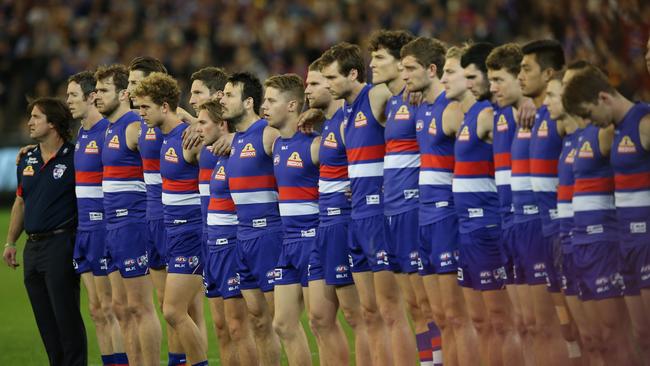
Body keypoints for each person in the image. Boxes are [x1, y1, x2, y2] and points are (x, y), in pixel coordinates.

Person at [320, 41, 418, 365]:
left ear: (352, 74)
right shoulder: (345, 110)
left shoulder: (374, 95)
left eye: (333, 78)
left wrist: (410, 92)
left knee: (392, 310)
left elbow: (400, 101)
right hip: (357, 214)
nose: (329, 84)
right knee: (369, 313)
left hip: (379, 215)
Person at [400, 36, 479, 366]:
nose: (405, 76)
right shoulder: (423, 107)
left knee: (458, 317)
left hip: (447, 217)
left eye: (410, 69)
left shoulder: (454, 110)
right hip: (425, 218)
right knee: (440, 317)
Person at [445, 45, 524, 365]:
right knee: (481, 322)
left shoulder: (494, 115)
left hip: (490, 225)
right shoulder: (474, 114)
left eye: (472, 76)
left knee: (504, 321)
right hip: (469, 229)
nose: (480, 84)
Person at [563, 65, 648, 364]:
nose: (588, 122)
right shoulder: (617, 128)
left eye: (588, 113)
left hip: (647, 241)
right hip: (627, 244)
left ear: (603, 97)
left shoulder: (644, 122)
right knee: (641, 336)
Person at [368, 31, 439, 366]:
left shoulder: (421, 101)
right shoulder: (391, 102)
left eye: (379, 58)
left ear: (401, 63)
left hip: (415, 209)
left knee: (429, 305)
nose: (372, 64)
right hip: (392, 209)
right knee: (413, 306)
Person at [4, 97, 87, 365]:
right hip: (33, 249)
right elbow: (21, 201)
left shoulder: (75, 157)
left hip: (61, 245)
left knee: (67, 320)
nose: (29, 122)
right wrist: (10, 242)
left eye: (36, 117)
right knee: (46, 324)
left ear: (52, 123)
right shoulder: (25, 159)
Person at [133, 72, 208, 366]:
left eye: (145, 108)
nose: (141, 115)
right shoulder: (167, 137)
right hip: (169, 229)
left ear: (164, 106)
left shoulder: (189, 139)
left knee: (174, 311)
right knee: (174, 310)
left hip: (190, 232)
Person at [304, 57, 371, 366]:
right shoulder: (327, 123)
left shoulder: (347, 120)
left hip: (344, 220)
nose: (310, 89)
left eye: (317, 82)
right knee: (318, 317)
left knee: (357, 315)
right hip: (324, 222)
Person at [95, 64, 161, 366]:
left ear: (122, 94)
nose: (96, 96)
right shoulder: (110, 127)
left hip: (133, 224)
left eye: (103, 90)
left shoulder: (136, 126)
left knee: (140, 307)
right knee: (120, 307)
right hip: (112, 225)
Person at [517, 39, 574, 364]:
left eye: (527, 69)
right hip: (542, 234)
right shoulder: (534, 114)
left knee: (587, 331)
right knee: (557, 329)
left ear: (550, 73)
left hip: (568, 233)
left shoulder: (564, 116)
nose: (521, 76)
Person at [221, 72, 283, 364]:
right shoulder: (235, 139)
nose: (222, 99)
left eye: (229, 94)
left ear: (248, 102)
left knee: (281, 323)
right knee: (258, 322)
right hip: (242, 236)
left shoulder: (267, 133)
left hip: (269, 235)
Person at [67, 71, 127, 366]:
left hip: (105, 228)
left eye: (73, 96)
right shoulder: (82, 133)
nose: (68, 102)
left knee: (113, 307)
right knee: (96, 309)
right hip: (85, 229)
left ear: (91, 97)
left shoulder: (108, 130)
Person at [260, 73, 318, 364]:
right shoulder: (277, 145)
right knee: (282, 324)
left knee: (323, 324)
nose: (264, 106)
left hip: (314, 241)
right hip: (289, 242)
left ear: (293, 105)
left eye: (271, 101)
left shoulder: (313, 142)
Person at [196, 99, 258, 365]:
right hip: (213, 247)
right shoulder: (214, 156)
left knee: (238, 326)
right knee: (223, 329)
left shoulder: (240, 154)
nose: (196, 129)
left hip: (233, 245)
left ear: (222, 125)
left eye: (202, 123)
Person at [544, 66, 598, 363]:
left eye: (553, 94)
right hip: (565, 242)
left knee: (603, 335)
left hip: (595, 243)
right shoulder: (567, 139)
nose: (547, 101)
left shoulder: (599, 135)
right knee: (579, 337)